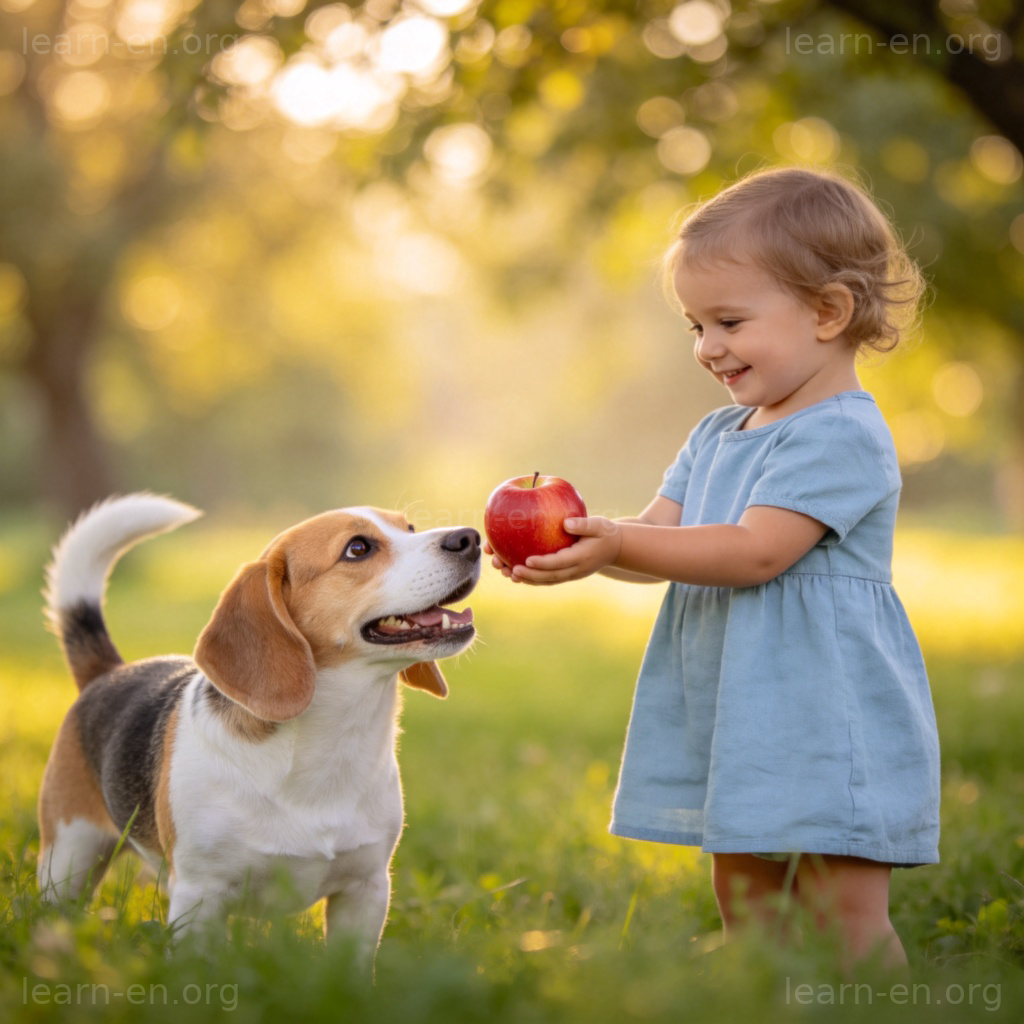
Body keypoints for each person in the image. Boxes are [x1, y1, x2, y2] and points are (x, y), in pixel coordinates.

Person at [487, 167, 940, 972]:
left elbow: (755, 551)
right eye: (694, 326)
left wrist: (621, 543)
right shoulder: (715, 436)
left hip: (826, 717)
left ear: (829, 312)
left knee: (843, 916)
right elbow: (664, 537)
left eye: (729, 320)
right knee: (749, 904)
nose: (708, 348)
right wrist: (589, 545)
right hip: (746, 719)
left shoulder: (841, 434)